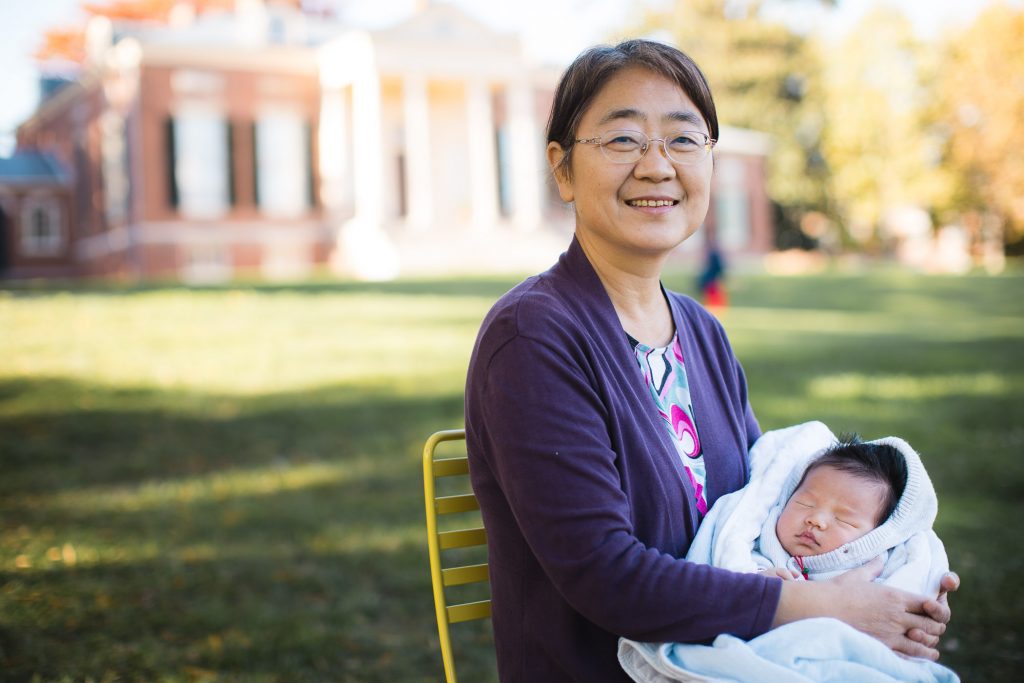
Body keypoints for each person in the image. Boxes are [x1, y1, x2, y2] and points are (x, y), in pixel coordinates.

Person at [463, 39, 958, 682]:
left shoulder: (699, 330)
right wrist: (827, 606)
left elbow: (760, 506)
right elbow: (607, 578)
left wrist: (888, 578)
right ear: (562, 169)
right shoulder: (534, 336)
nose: (657, 166)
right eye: (622, 140)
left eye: (683, 140)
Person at [619, 423, 957, 681]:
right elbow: (726, 573)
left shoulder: (879, 562)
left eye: (844, 519)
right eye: (806, 502)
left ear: (879, 534)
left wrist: (924, 597)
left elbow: (907, 597)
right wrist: (760, 582)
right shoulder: (761, 550)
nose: (816, 519)